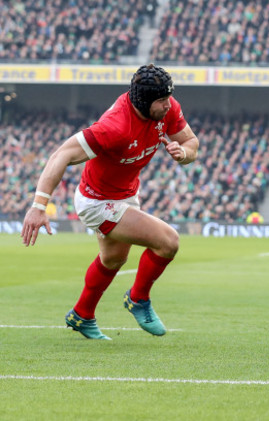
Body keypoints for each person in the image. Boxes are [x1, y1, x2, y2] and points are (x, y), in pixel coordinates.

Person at [21, 64, 200, 340]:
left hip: (125, 193)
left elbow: (192, 144)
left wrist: (183, 154)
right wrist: (38, 206)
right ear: (143, 100)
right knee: (168, 241)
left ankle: (82, 314)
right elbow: (62, 154)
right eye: (162, 100)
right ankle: (138, 299)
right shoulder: (115, 126)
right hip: (97, 200)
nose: (168, 105)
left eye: (168, 98)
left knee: (114, 258)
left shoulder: (168, 107)